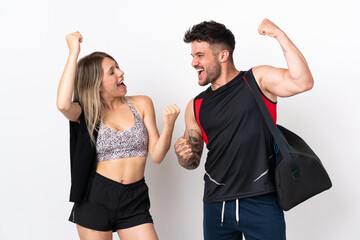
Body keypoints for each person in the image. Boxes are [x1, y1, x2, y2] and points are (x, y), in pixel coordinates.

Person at [174, 19, 314, 240]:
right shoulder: (195, 105)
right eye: (192, 56)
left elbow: (303, 81)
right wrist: (184, 155)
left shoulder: (256, 80)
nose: (193, 62)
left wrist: (278, 34)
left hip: (261, 200)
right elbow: (192, 161)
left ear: (223, 55)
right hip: (215, 205)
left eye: (199, 55)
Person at [57, 31, 180, 240]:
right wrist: (73, 52)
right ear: (97, 83)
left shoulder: (141, 103)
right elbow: (63, 104)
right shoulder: (87, 111)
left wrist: (168, 126)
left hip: (135, 197)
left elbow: (157, 156)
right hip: (95, 197)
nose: (121, 73)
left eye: (118, 67)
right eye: (112, 72)